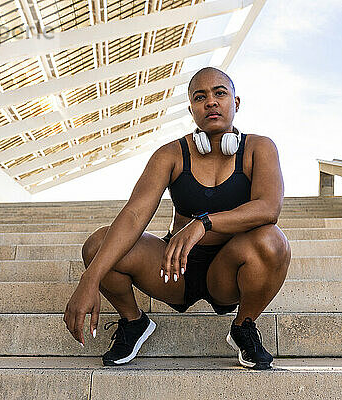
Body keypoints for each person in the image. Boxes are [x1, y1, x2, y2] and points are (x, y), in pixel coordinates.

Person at [63, 66, 291, 370]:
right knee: (97, 246)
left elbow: (268, 208)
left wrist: (203, 223)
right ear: (191, 109)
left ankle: (243, 327)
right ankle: (133, 323)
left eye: (220, 93)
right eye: (200, 97)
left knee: (273, 242)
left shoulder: (258, 148)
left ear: (236, 103)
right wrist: (89, 279)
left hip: (229, 269)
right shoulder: (171, 154)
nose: (211, 102)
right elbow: (133, 215)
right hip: (175, 268)